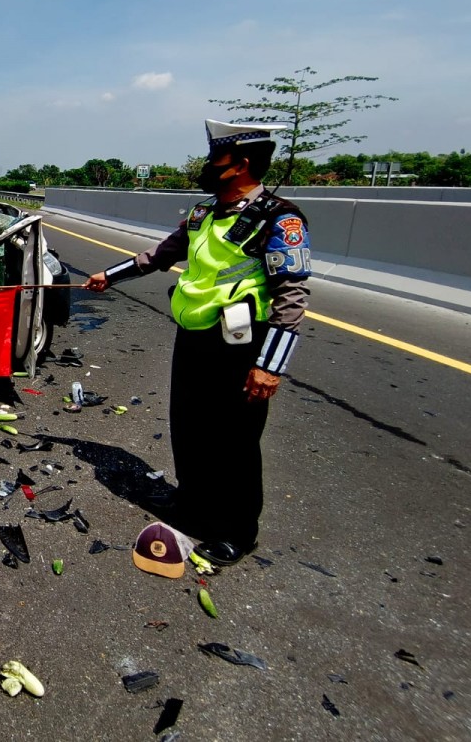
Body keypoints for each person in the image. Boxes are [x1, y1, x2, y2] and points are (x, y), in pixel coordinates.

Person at [83, 120, 311, 567]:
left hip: (240, 346)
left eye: (214, 160)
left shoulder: (278, 219)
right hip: (193, 337)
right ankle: (193, 505)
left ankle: (237, 531)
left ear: (240, 164)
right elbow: (160, 256)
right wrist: (108, 276)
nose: (206, 167)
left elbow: (292, 295)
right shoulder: (204, 213)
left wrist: (270, 366)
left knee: (235, 441)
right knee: (189, 427)